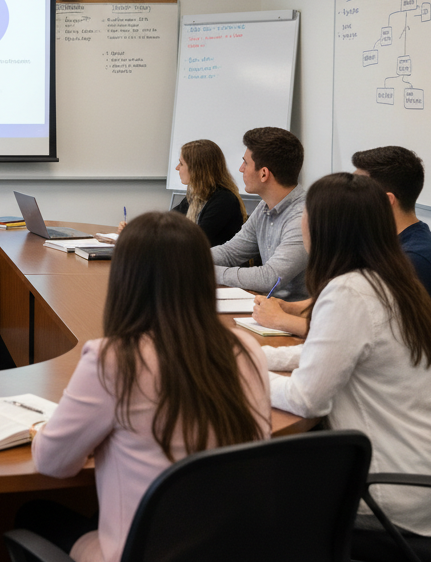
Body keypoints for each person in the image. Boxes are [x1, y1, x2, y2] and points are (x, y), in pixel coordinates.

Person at [17, 211, 271, 562]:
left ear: (125, 278)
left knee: (36, 513)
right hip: (230, 546)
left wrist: (46, 429)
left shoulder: (115, 360)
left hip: (144, 551)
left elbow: (52, 462)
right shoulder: (247, 350)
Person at [265, 173, 431, 537]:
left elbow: (306, 399)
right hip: (425, 475)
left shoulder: (349, 293)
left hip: (392, 496)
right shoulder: (389, 277)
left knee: (252, 490)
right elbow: (330, 353)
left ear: (327, 227)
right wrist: (256, 357)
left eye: (306, 212)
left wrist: (243, 373)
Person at [253, 146, 431, 343]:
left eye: (359, 190)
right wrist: (289, 308)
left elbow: (350, 334)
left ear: (385, 200)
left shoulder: (415, 259)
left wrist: (279, 320)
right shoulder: (387, 244)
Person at [210, 127, 308, 300]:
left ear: (264, 174)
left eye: (246, 163)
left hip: (296, 317)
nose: (241, 169)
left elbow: (270, 278)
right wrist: (190, 258)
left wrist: (204, 270)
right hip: (268, 309)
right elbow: (231, 252)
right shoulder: (265, 206)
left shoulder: (303, 216)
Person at [117, 139, 246, 246]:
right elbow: (166, 222)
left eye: (181, 163)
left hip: (213, 269)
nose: (177, 168)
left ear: (197, 169)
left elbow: (195, 239)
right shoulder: (197, 196)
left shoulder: (224, 200)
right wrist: (133, 230)